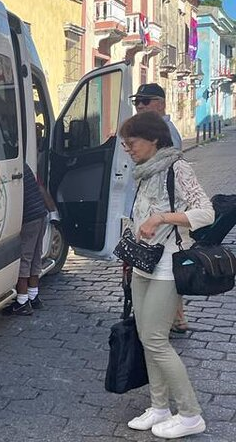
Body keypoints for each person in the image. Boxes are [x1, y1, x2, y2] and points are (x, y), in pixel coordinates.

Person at [119, 111, 213, 439]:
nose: (127, 149)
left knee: (157, 340)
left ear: (153, 139)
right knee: (147, 337)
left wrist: (160, 218)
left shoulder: (177, 167)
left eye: (131, 143)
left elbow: (206, 212)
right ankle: (159, 407)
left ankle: (190, 414)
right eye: (124, 144)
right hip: (144, 262)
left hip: (167, 266)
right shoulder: (145, 171)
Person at [129, 83, 187, 333]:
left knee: (158, 267)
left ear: (161, 103)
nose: (140, 105)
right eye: (136, 102)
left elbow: (162, 179)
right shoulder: (154, 129)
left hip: (160, 217)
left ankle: (162, 322)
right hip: (157, 215)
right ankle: (176, 318)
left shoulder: (164, 132)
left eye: (145, 100)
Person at [3, 163, 47, 316]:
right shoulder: (23, 164)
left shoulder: (9, 166)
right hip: (41, 214)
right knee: (35, 257)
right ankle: (34, 296)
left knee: (24, 259)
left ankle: (22, 301)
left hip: (29, 218)